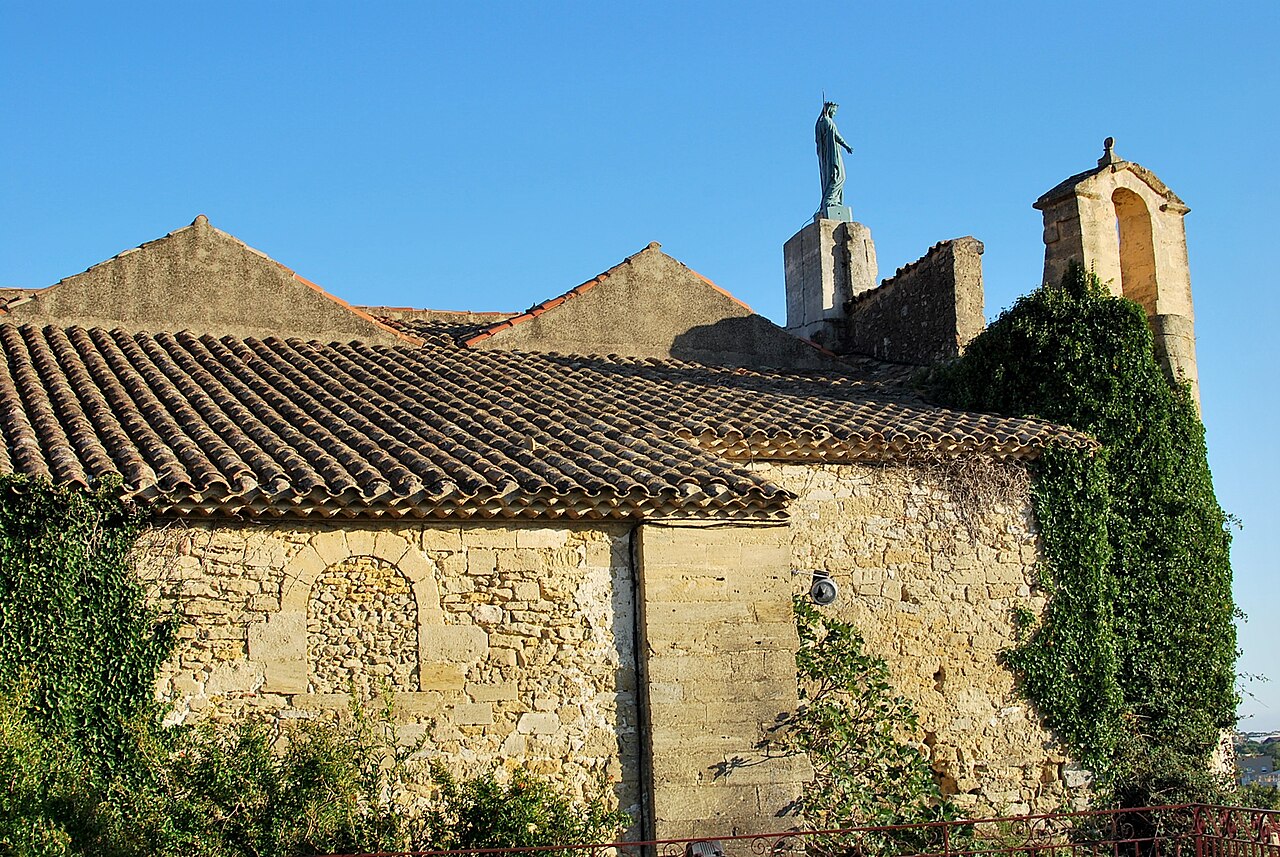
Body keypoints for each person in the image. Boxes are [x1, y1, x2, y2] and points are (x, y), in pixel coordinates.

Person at [816, 101, 853, 214]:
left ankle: (834, 200)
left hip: (828, 154)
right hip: (833, 154)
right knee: (838, 176)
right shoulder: (827, 121)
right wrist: (847, 146)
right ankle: (829, 200)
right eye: (834, 110)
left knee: (834, 176)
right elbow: (836, 136)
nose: (835, 113)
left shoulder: (820, 123)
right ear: (830, 109)